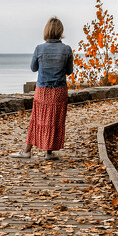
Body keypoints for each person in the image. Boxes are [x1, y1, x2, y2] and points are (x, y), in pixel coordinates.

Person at [11, 17, 73, 160]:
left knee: (37, 119)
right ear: (60, 31)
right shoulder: (66, 49)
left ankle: (27, 151)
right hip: (59, 91)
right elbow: (69, 71)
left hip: (43, 90)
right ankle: (48, 153)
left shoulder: (39, 48)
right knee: (54, 120)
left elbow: (33, 68)